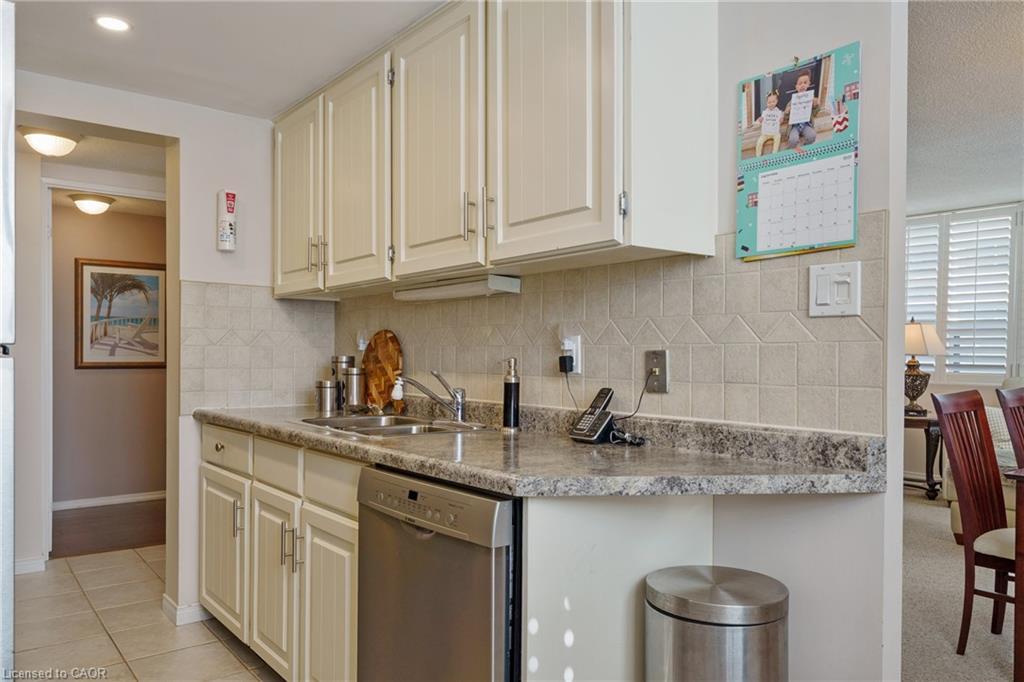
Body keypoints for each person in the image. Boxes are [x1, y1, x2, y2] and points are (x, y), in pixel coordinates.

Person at [783, 70, 827, 153]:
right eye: (800, 84)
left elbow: (815, 113)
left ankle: (804, 149)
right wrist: (787, 112)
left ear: (808, 84)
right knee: (793, 140)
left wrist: (816, 106)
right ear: (796, 87)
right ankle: (790, 151)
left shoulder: (811, 99)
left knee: (812, 136)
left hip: (806, 124)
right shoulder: (792, 101)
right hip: (795, 126)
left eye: (805, 82)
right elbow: (786, 117)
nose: (802, 85)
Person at [754, 90, 783, 156]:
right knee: (759, 142)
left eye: (773, 102)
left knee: (778, 137)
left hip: (775, 132)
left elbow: (780, 120)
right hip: (765, 133)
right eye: (769, 102)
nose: (771, 104)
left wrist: (781, 120)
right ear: (766, 103)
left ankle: (774, 154)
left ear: (776, 101)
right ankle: (758, 156)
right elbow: (761, 119)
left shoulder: (778, 112)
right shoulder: (765, 112)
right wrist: (759, 120)